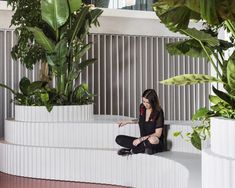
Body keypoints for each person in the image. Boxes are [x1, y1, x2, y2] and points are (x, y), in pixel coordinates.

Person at [115, 89, 165, 156]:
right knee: (119, 139)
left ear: (153, 101)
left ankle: (135, 149)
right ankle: (142, 149)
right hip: (143, 142)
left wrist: (140, 139)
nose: (145, 104)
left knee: (152, 140)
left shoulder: (158, 111)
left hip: (154, 142)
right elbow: (141, 121)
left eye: (147, 102)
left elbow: (158, 134)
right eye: (143, 101)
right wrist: (127, 121)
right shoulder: (142, 107)